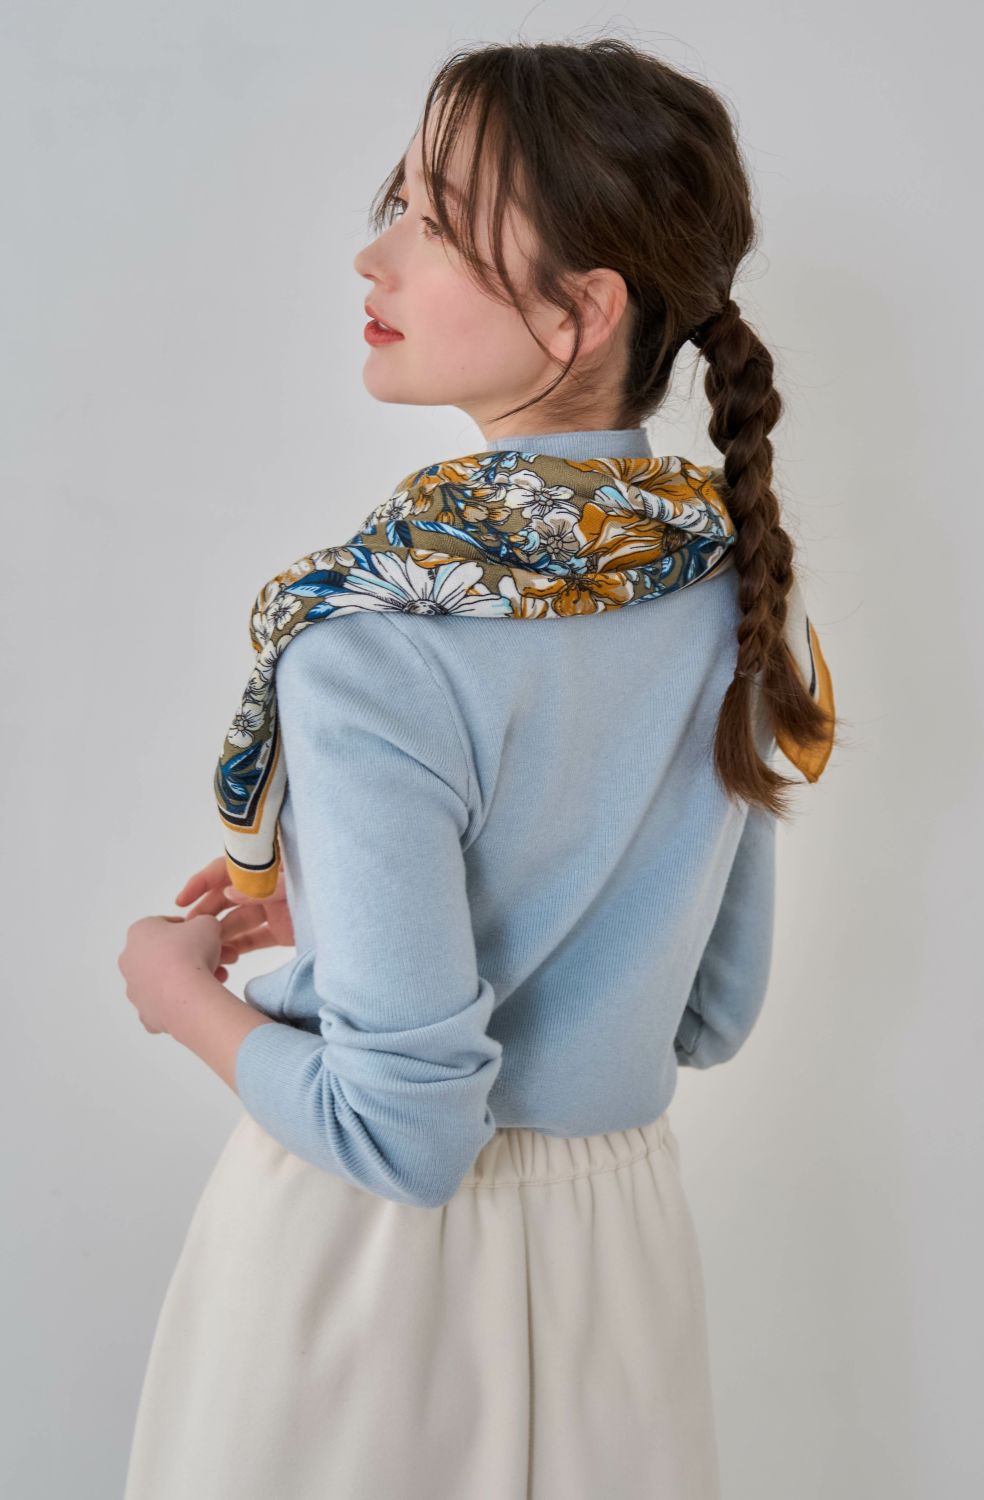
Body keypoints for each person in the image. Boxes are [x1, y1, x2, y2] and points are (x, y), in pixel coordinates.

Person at [118, 36, 838, 1500]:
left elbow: (403, 1133)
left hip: (364, 1288)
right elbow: (710, 1011)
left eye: (439, 222)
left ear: (582, 311)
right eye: (400, 203)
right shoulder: (743, 593)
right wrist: (378, 920)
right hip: (617, 1273)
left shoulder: (370, 643)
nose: (375, 255)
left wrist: (177, 991)